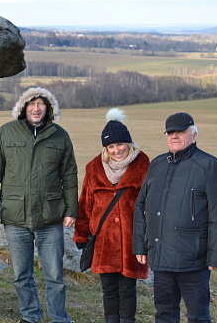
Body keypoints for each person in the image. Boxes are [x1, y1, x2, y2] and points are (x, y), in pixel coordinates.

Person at [0, 86, 78, 323]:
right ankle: (30, 316)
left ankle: (58, 317)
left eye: (41, 104)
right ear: (23, 107)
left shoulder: (60, 135)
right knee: (21, 274)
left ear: (48, 108)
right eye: (31, 104)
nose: (36, 108)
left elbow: (70, 175)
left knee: (54, 275)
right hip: (16, 216)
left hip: (50, 216)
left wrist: (71, 210)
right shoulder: (6, 133)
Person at [133, 112, 217, 323]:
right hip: (161, 258)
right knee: (164, 314)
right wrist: (140, 246)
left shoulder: (211, 167)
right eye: (170, 132)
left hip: (193, 260)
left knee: (198, 316)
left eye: (180, 131)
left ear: (194, 134)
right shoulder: (157, 165)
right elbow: (141, 205)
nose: (174, 136)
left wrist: (216, 257)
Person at [73, 108, 149, 323]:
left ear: (129, 144)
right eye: (111, 146)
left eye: (120, 145)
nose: (116, 150)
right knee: (108, 289)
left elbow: (151, 205)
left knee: (127, 289)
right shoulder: (94, 168)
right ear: (106, 148)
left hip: (131, 240)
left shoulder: (143, 166)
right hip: (103, 240)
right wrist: (81, 235)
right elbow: (85, 204)